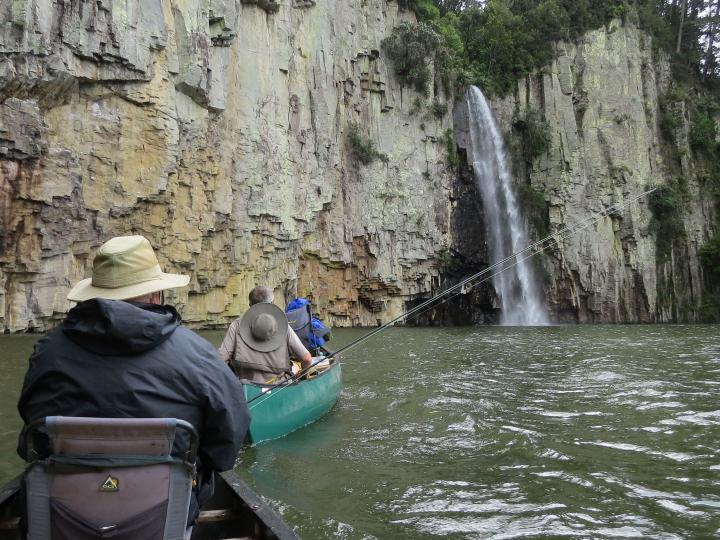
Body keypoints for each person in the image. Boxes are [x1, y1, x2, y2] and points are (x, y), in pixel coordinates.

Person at [16, 235, 250, 527]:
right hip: (163, 517)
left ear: (94, 294)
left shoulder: (48, 352)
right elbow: (229, 438)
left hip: (60, 518)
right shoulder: (198, 354)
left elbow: (29, 422)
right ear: (155, 295)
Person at [219, 285, 312, 383]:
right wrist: (302, 376)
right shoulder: (283, 327)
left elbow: (221, 359)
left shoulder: (236, 325)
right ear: (272, 304)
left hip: (245, 387)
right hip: (279, 386)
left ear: (250, 305)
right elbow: (307, 359)